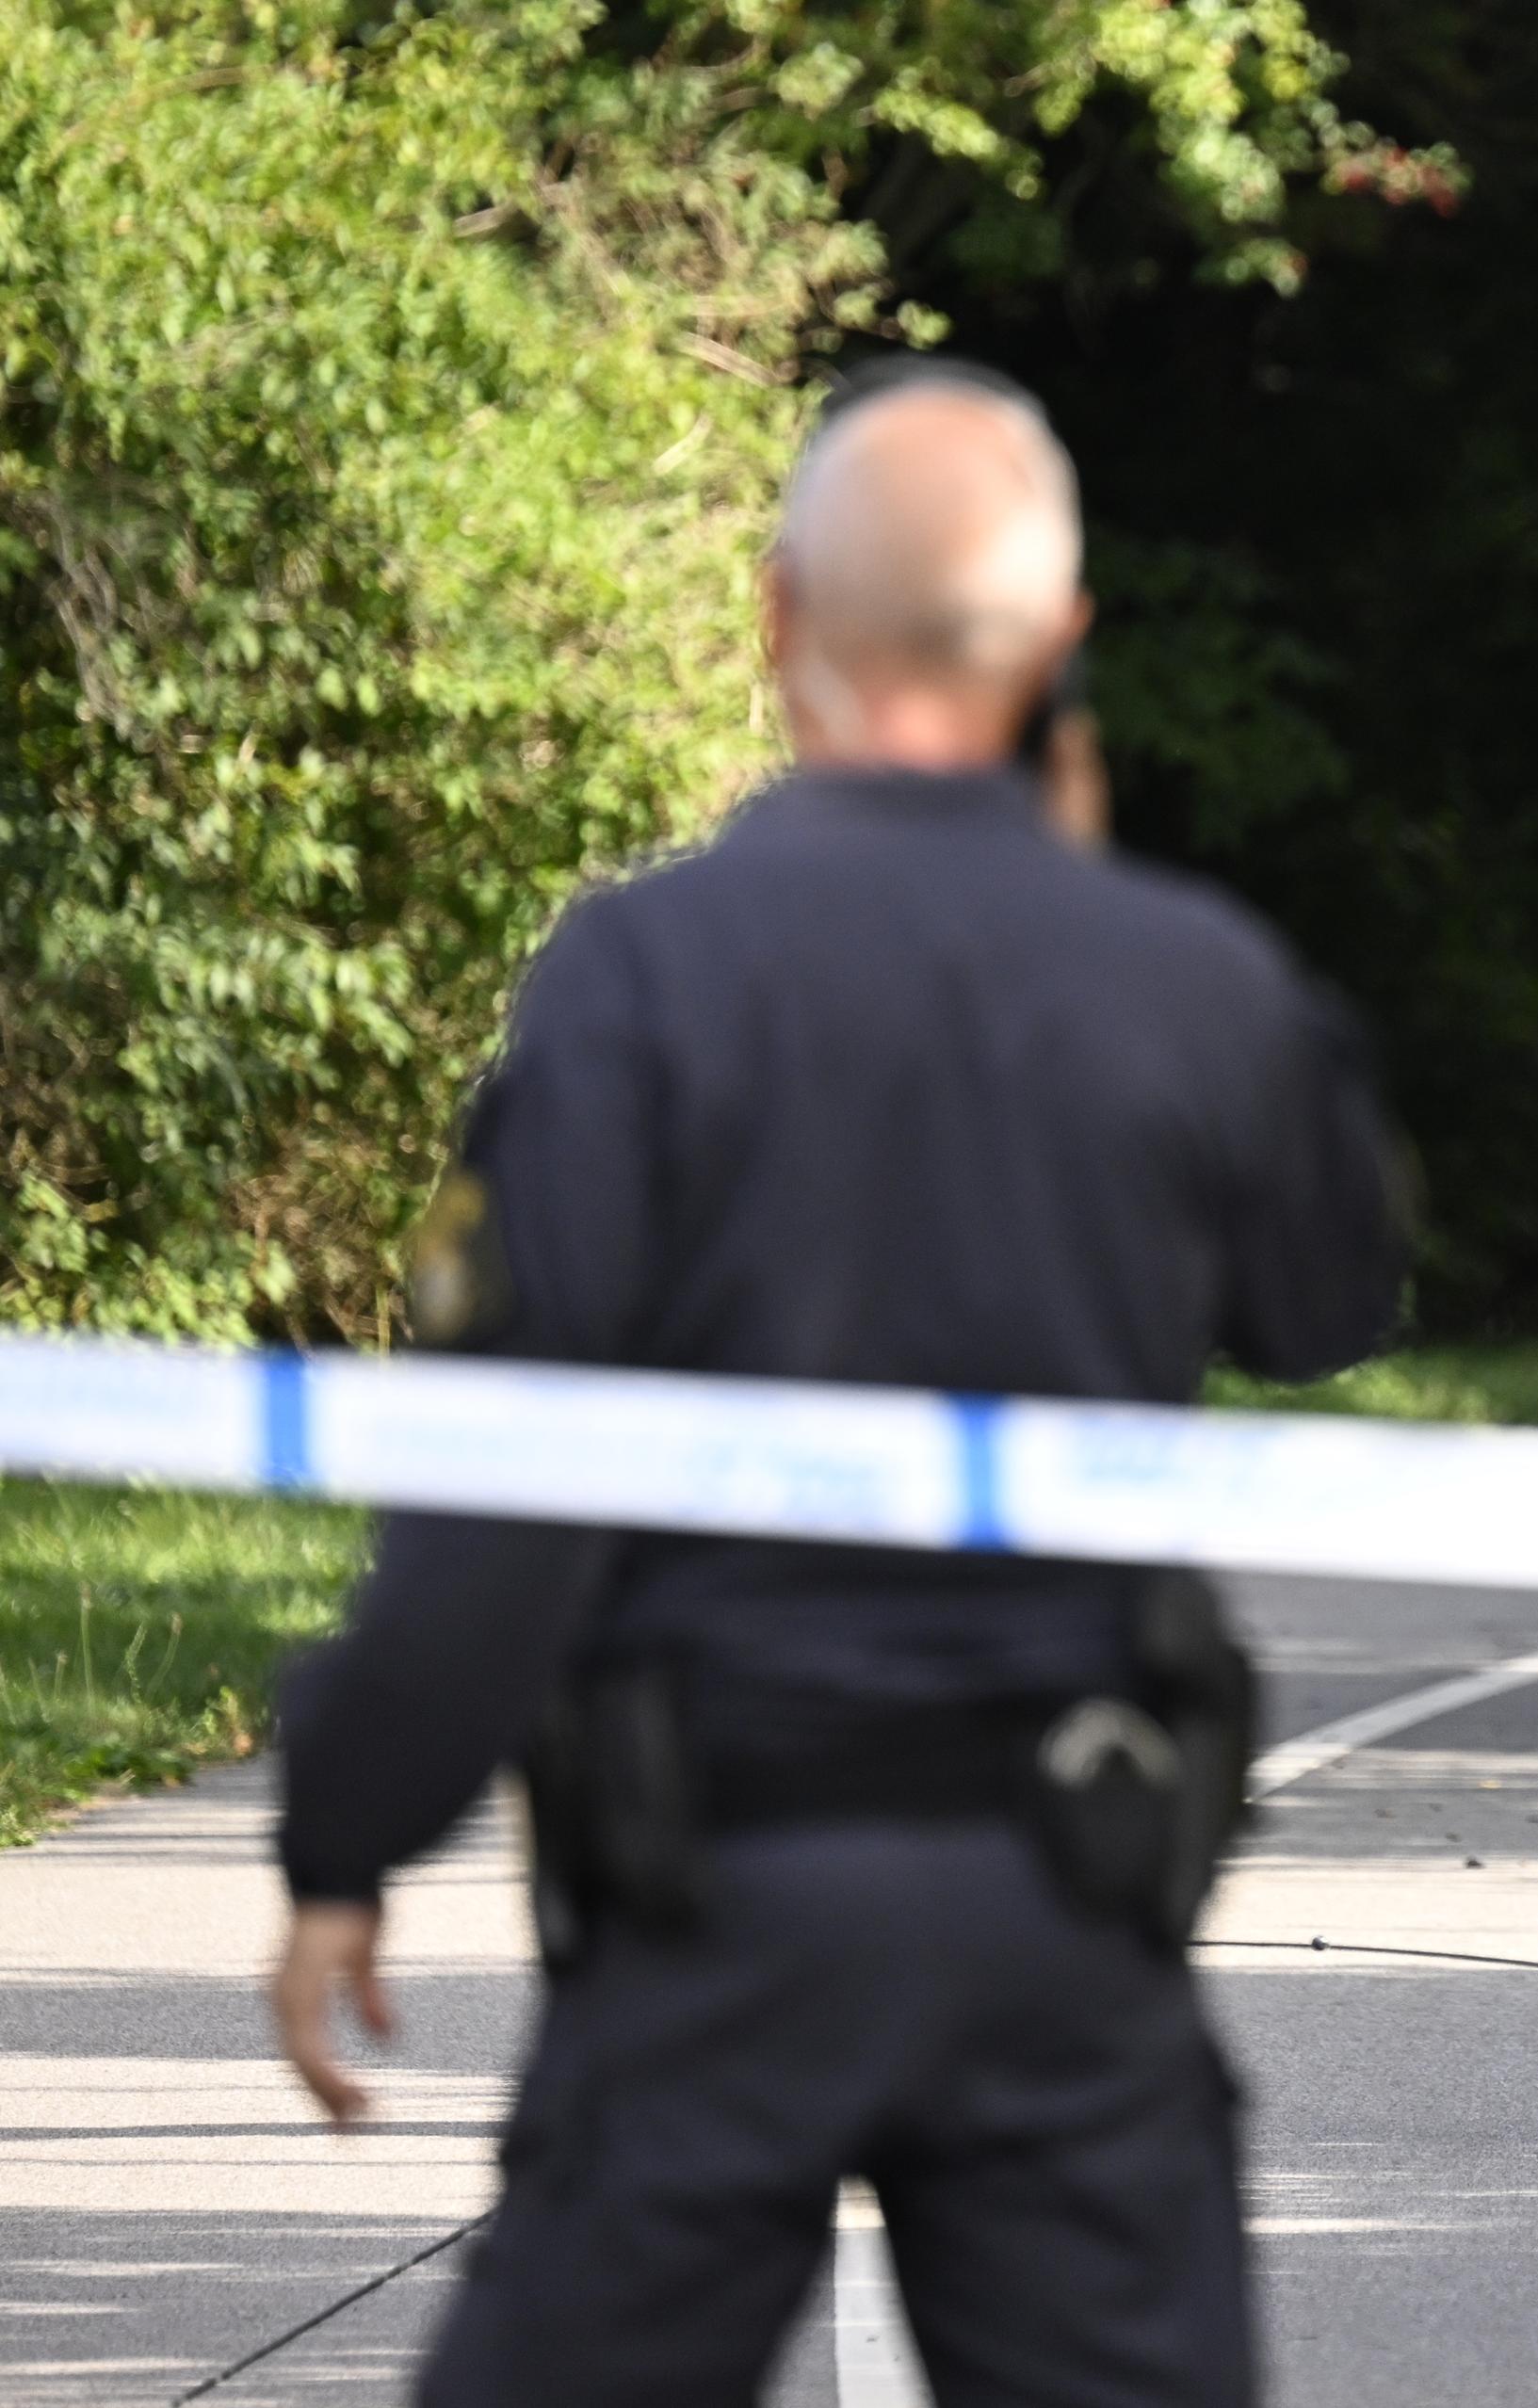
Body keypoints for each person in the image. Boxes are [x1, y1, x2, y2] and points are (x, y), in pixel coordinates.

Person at [267, 360, 1403, 2404]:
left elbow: (503, 1494)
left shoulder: (636, 977)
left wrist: (350, 1829)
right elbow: (1332, 1297)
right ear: (1061, 648)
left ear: (781, 617)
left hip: (717, 1909)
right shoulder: (1194, 978)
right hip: (1071, 1905)